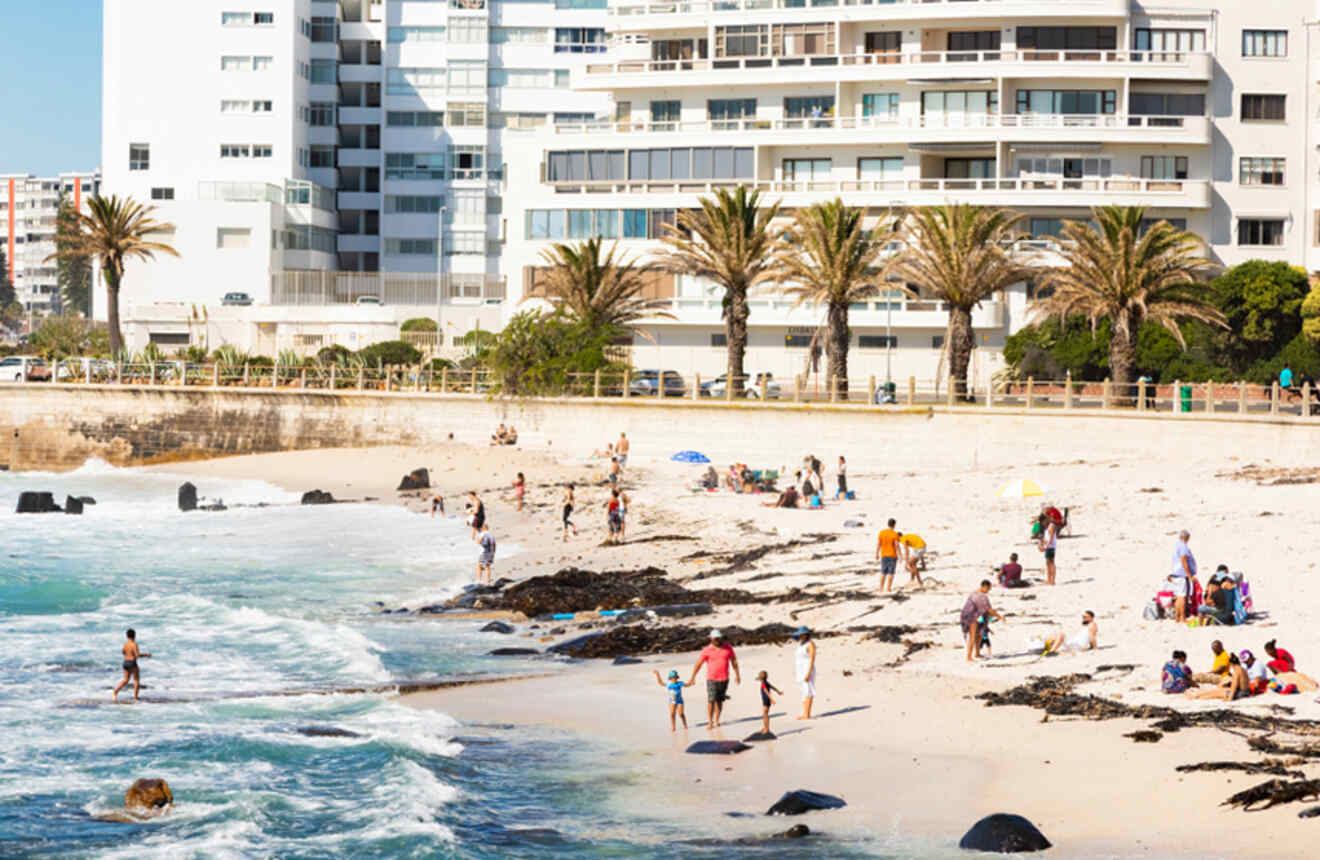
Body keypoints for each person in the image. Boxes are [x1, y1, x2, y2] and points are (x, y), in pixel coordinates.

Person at [688, 629, 740, 729]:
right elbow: (698, 664)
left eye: (719, 638)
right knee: (711, 700)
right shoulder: (706, 650)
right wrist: (693, 677)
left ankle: (717, 720)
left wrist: (737, 675)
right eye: (715, 639)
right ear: (711, 639)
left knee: (719, 701)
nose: (718, 640)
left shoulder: (728, 648)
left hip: (724, 678)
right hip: (711, 678)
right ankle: (710, 722)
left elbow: (734, 661)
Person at [962, 580, 1004, 662]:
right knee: (973, 636)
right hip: (971, 617)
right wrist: (1000, 617)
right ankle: (968, 657)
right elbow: (989, 610)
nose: (989, 591)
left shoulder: (973, 593)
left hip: (971, 616)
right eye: (988, 589)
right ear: (984, 587)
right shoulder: (982, 596)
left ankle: (977, 653)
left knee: (979, 635)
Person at [1186, 653, 1250, 700]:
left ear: (1231, 664)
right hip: (1245, 692)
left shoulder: (1236, 671)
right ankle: (1196, 695)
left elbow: (1234, 686)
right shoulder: (1242, 669)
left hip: (1241, 694)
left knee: (1215, 694)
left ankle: (1195, 697)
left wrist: (1229, 699)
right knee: (1217, 690)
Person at [112, 628, 152, 703]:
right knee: (136, 680)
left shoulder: (125, 644)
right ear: (135, 636)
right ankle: (135, 697)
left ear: (127, 636)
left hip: (125, 662)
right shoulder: (134, 644)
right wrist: (146, 655)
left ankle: (115, 692)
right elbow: (137, 655)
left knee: (125, 680)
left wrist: (128, 654)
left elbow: (123, 652)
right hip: (132, 663)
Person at [1169, 530, 1197, 623]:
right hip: (1182, 574)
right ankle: (1182, 617)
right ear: (1187, 538)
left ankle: (1177, 617)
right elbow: (1184, 561)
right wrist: (1189, 575)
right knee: (1182, 597)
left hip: (1176, 574)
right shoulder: (1183, 547)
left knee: (1178, 596)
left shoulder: (1176, 546)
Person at [792, 626, 817, 720]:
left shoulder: (810, 644)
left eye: (802, 634)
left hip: (807, 669)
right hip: (800, 670)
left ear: (806, 634)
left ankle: (807, 714)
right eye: (799, 635)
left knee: (808, 690)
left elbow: (812, 659)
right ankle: (804, 713)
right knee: (803, 691)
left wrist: (808, 673)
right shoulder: (800, 644)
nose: (800, 636)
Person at [875, 518, 900, 592]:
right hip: (892, 555)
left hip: (884, 555)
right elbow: (896, 545)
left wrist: (877, 553)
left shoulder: (882, 533)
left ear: (888, 524)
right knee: (891, 573)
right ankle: (888, 589)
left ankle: (881, 588)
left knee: (883, 572)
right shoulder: (894, 534)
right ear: (894, 525)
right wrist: (900, 555)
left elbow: (879, 544)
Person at [757, 670, 783, 736]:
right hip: (766, 700)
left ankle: (767, 729)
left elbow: (767, 692)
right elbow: (773, 687)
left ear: (760, 678)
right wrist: (778, 692)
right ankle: (765, 728)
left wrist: (772, 699)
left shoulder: (763, 684)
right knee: (765, 714)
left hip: (766, 700)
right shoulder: (766, 682)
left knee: (765, 714)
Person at [1037, 510, 1059, 586]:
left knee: (1051, 563)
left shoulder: (1051, 525)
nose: (1042, 524)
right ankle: (1049, 579)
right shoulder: (1046, 527)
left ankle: (1052, 580)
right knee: (1047, 563)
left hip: (1051, 547)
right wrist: (1040, 545)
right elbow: (1044, 538)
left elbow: (1051, 537)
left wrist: (1046, 546)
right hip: (1048, 547)